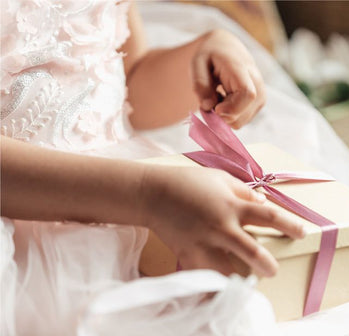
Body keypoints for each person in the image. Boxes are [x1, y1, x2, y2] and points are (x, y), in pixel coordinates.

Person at [0, 1, 323, 333]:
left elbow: (131, 84)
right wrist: (148, 196)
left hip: (144, 186)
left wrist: (200, 59)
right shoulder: (150, 194)